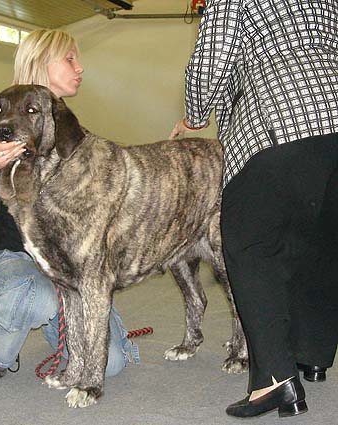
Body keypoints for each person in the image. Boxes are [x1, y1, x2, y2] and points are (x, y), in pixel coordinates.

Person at [171, 0, 338, 418]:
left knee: (249, 243)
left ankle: (275, 381)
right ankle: (313, 354)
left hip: (278, 118)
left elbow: (211, 56)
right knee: (320, 239)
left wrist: (193, 115)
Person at [0, 29, 138, 380]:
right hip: (15, 257)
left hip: (68, 268)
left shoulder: (65, 127)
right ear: (42, 63)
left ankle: (60, 325)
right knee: (35, 296)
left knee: (111, 363)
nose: (80, 68)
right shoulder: (8, 121)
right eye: (70, 59)